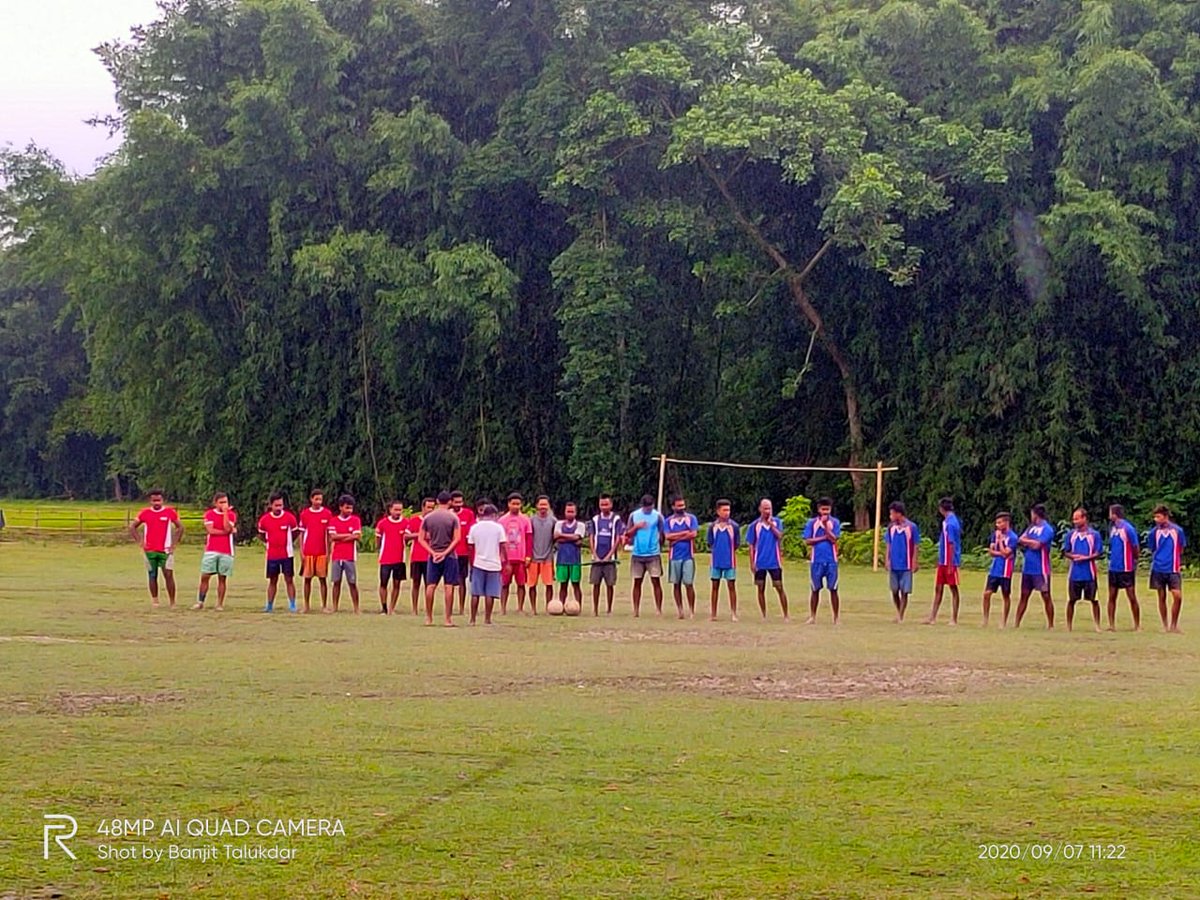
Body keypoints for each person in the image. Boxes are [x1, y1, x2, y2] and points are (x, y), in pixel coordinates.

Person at [130, 488, 183, 608]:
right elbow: (132, 527)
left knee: (168, 575)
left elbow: (180, 527)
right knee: (152, 575)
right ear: (150, 501)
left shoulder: (170, 512)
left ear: (162, 500)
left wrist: (174, 544)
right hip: (149, 551)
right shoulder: (145, 513)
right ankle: (155, 600)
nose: (156, 503)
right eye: (154, 500)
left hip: (166, 551)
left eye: (158, 500)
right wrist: (140, 541)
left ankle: (172, 602)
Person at [419, 491, 461, 627]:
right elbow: (457, 539)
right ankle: (447, 619)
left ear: (437, 501)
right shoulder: (453, 517)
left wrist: (433, 552)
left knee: (430, 586)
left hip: (433, 556)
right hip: (450, 556)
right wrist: (446, 553)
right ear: (449, 502)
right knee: (449, 586)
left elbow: (421, 539)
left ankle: (429, 618)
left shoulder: (428, 518)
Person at [1146, 505, 1186, 633]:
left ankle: (1174, 624)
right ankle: (1165, 625)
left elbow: (1181, 548)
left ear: (1165, 516)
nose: (1156, 519)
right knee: (1161, 597)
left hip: (1173, 568)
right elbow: (1153, 548)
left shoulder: (1177, 531)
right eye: (1155, 517)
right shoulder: (1154, 532)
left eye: (1158, 516)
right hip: (1158, 568)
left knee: (1177, 596)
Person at [747, 498, 788, 620]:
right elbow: (751, 545)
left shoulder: (777, 522)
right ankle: (764, 614)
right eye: (765, 508)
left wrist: (771, 524)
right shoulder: (754, 526)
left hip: (774, 562)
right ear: (760, 509)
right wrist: (752, 563)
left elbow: (780, 536)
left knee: (779, 587)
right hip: (760, 562)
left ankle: (786, 614)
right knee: (760, 588)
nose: (767, 511)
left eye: (769, 508)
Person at [256, 492, 298, 613]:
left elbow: (295, 533)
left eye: (281, 505)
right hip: (272, 555)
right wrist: (269, 543)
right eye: (276, 505)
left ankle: (292, 604)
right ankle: (269, 605)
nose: (279, 508)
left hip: (287, 555)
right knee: (272, 580)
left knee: (289, 580)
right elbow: (261, 534)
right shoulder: (265, 520)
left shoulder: (290, 518)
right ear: (271, 505)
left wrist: (289, 543)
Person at [1015, 504, 1055, 629]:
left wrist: (1028, 542)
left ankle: (1050, 624)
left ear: (1036, 514)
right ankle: (1017, 623)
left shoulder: (1047, 529)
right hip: (1028, 568)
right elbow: (1020, 539)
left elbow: (1038, 545)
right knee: (1024, 595)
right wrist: (1029, 542)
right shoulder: (1031, 528)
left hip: (1041, 569)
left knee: (1046, 595)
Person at [195, 492, 237, 611]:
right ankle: (200, 601)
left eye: (226, 502)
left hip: (226, 551)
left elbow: (227, 527)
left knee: (222, 578)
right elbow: (211, 530)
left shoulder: (231, 515)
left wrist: (225, 514)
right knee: (205, 576)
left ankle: (219, 604)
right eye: (221, 502)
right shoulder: (209, 514)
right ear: (215, 503)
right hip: (211, 549)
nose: (224, 504)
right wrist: (226, 532)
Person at [1063, 507, 1103, 632]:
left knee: (1094, 600)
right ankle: (1069, 626)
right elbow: (1066, 551)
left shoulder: (1094, 535)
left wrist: (1085, 558)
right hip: (1074, 574)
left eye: (1077, 518)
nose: (1074, 521)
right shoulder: (1071, 535)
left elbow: (1098, 552)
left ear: (1084, 519)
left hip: (1089, 573)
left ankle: (1097, 625)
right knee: (1071, 600)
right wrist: (1073, 556)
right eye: (1073, 519)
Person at [802, 497, 841, 625]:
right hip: (816, 560)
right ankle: (812, 616)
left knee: (833, 589)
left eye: (828, 509)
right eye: (823, 509)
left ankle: (836, 618)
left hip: (831, 560)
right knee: (815, 589)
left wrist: (825, 527)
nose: (825, 512)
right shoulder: (811, 523)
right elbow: (808, 540)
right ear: (819, 510)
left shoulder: (834, 523)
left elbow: (834, 539)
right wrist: (824, 537)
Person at [923, 498, 962, 625]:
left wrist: (950, 564)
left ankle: (954, 619)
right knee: (938, 588)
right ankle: (932, 617)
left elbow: (951, 543)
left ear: (941, 509)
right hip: (943, 561)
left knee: (953, 588)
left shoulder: (950, 523)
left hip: (950, 561)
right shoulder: (947, 521)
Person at [467, 503, 507, 625]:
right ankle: (487, 619)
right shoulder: (498, 528)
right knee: (490, 593)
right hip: (494, 564)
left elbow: (470, 547)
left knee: (475, 593)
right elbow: (503, 545)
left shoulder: (474, 527)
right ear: (494, 515)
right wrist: (505, 560)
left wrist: (471, 562)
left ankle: (472, 619)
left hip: (478, 563)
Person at [627, 495, 666, 617]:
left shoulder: (658, 516)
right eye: (646, 507)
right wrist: (636, 527)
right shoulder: (634, 515)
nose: (648, 509)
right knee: (637, 582)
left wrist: (659, 546)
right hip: (637, 554)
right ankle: (636, 610)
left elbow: (662, 533)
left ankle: (658, 609)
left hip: (653, 554)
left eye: (650, 507)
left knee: (656, 581)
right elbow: (628, 533)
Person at [1106, 504, 1142, 632]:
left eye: (1110, 513)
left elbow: (1135, 546)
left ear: (1115, 514)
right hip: (1113, 568)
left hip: (1126, 568)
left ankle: (1137, 625)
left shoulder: (1128, 528)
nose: (1109, 515)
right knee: (1112, 596)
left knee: (1132, 596)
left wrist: (1135, 560)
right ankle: (1111, 625)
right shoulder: (1113, 529)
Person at [664, 496, 700, 619]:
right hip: (674, 556)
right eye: (679, 506)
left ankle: (691, 610)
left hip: (688, 556)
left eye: (683, 505)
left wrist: (677, 537)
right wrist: (685, 533)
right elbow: (668, 536)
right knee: (676, 584)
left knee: (689, 583)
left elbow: (694, 534)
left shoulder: (691, 518)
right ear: (673, 507)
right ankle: (680, 610)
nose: (681, 508)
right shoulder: (668, 521)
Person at [588, 494, 623, 616]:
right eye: (602, 504)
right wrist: (595, 555)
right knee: (595, 584)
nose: (604, 506)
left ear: (611, 505)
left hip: (610, 560)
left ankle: (609, 609)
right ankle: (595, 610)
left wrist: (609, 555)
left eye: (606, 504)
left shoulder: (616, 519)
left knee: (610, 585)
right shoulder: (595, 519)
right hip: (597, 559)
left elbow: (618, 538)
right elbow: (591, 538)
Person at [884, 501, 920, 622]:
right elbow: (888, 544)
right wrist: (887, 559)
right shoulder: (891, 528)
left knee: (905, 591)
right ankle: (899, 611)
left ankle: (901, 615)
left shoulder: (911, 527)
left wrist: (915, 561)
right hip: (894, 563)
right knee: (894, 590)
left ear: (899, 514)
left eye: (892, 514)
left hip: (906, 563)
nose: (891, 516)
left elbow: (915, 545)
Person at [299, 489, 333, 613]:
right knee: (307, 579)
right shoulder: (305, 514)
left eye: (320, 499)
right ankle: (306, 606)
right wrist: (301, 552)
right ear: (311, 499)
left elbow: (329, 536)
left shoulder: (327, 514)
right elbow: (302, 534)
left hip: (322, 552)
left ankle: (324, 605)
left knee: (322, 579)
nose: (318, 502)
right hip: (308, 551)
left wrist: (329, 553)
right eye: (316, 499)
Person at [498, 493, 533, 614]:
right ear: (508, 504)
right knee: (504, 584)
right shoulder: (502, 520)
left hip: (520, 558)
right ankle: (502, 608)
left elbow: (529, 538)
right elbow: (499, 540)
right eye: (513, 503)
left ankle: (520, 607)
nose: (516, 506)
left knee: (521, 584)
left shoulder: (525, 519)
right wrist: (500, 556)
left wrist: (528, 555)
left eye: (518, 504)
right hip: (506, 558)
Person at [982, 512, 1018, 628]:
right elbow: (991, 552)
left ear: (1006, 522)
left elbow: (1007, 553)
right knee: (987, 594)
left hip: (1005, 571)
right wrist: (1000, 553)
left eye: (1000, 522)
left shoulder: (1013, 537)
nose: (997, 525)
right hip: (995, 569)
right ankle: (985, 619)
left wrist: (1001, 541)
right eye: (996, 523)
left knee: (1005, 595)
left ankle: (1004, 621)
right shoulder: (995, 535)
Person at [328, 494, 363, 614]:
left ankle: (356, 608)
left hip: (350, 556)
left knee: (352, 583)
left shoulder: (355, 520)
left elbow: (357, 536)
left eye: (351, 508)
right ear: (340, 507)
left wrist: (340, 537)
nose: (349, 510)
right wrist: (349, 536)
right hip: (336, 556)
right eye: (347, 508)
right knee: (336, 582)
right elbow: (332, 537)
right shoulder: (333, 520)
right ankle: (335, 607)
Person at [707, 499, 740, 621]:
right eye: (724, 510)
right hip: (716, 562)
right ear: (718, 511)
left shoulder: (734, 527)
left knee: (731, 586)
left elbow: (736, 544)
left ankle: (733, 613)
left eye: (728, 510)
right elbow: (710, 543)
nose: (727, 513)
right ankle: (713, 613)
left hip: (729, 562)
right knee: (715, 587)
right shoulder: (712, 527)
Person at [376, 500, 409, 614]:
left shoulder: (405, 523)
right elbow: (378, 539)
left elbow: (407, 537)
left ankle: (392, 608)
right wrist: (379, 550)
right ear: (390, 510)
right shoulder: (383, 523)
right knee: (383, 583)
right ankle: (384, 607)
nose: (398, 512)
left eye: (400, 510)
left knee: (397, 584)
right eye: (396, 510)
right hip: (385, 559)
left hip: (399, 559)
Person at [406, 497, 435, 616]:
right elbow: (406, 537)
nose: (430, 510)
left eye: (433, 508)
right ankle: (414, 608)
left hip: (430, 557)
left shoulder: (435, 521)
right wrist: (421, 535)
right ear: (423, 507)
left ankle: (428, 608)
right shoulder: (414, 520)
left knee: (430, 584)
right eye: (428, 507)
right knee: (416, 583)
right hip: (417, 557)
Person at [529, 495, 558, 614]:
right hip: (533, 558)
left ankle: (548, 607)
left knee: (549, 584)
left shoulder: (553, 521)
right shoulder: (531, 520)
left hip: (548, 558)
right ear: (536, 506)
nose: (543, 507)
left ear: (549, 506)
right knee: (532, 585)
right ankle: (533, 609)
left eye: (545, 505)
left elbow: (556, 538)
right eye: (541, 505)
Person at [554, 502, 585, 611]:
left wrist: (562, 536)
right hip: (562, 560)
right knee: (563, 584)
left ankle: (578, 607)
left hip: (575, 560)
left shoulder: (580, 525)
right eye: (568, 511)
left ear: (576, 513)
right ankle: (561, 607)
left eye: (572, 511)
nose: (570, 513)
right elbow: (556, 538)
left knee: (576, 584)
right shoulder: (559, 524)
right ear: (564, 512)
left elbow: (577, 537)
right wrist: (572, 539)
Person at [450, 491, 476, 615]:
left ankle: (461, 608)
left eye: (460, 501)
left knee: (462, 580)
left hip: (464, 554)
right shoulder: (447, 515)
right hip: (449, 553)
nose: (459, 504)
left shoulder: (469, 514)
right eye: (456, 502)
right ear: (451, 502)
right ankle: (448, 607)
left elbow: (472, 532)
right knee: (449, 582)